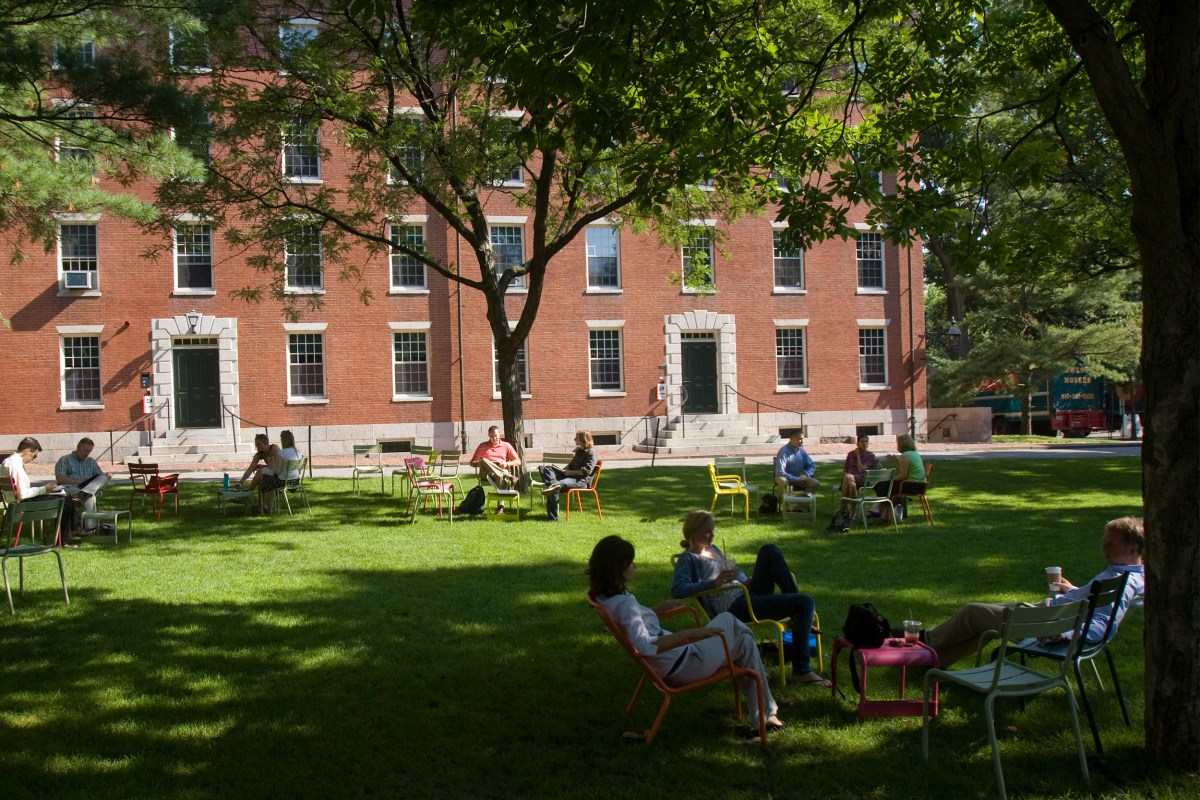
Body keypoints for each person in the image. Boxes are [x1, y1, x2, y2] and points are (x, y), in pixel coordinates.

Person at [589, 534, 784, 734]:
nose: (635, 566)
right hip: (686, 665)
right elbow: (645, 646)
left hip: (676, 661)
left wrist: (655, 610)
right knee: (730, 621)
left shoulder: (606, 598)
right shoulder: (624, 604)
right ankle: (765, 711)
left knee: (743, 641)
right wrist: (690, 633)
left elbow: (630, 624)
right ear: (618, 569)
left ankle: (765, 714)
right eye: (630, 563)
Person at [921, 516, 1145, 666]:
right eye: (1105, 542)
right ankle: (931, 661)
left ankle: (924, 642)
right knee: (981, 621)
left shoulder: (1121, 581)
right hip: (1050, 614)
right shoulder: (1130, 575)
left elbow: (1104, 623)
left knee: (973, 613)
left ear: (1133, 549)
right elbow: (1096, 603)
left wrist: (1065, 633)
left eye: (1111, 544)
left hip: (1048, 623)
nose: (1104, 548)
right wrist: (1074, 590)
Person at [671, 510, 831, 686]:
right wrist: (713, 584)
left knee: (769, 550)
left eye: (713, 529)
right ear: (693, 533)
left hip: (746, 594)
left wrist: (744, 579)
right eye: (707, 531)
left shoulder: (714, 549)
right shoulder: (688, 558)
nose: (712, 534)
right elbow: (678, 589)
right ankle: (801, 670)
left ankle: (795, 616)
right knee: (805, 602)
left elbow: (735, 571)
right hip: (735, 607)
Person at [2, 437, 67, 544]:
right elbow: (22, 494)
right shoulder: (15, 465)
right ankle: (64, 539)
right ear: (27, 451)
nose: (33, 459)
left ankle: (71, 532)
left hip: (14, 503)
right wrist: (44, 489)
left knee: (63, 497)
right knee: (64, 500)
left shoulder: (7, 461)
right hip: (22, 505)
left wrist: (44, 490)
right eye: (34, 456)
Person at [55, 437, 114, 535]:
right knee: (90, 496)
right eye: (85, 450)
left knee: (103, 477)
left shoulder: (91, 461)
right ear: (78, 447)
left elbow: (99, 477)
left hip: (85, 489)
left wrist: (107, 476)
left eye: (89, 451)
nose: (86, 453)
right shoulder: (64, 460)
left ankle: (83, 494)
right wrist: (79, 482)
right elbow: (60, 479)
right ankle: (91, 530)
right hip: (71, 488)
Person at [539, 430, 597, 521]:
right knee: (545, 468)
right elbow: (571, 465)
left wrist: (570, 472)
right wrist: (562, 470)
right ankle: (553, 484)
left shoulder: (591, 453)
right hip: (570, 476)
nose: (574, 439)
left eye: (576, 438)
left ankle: (553, 518)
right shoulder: (579, 451)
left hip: (581, 481)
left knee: (555, 487)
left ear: (583, 439)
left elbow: (586, 471)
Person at [471, 426, 522, 510]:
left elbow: (518, 461)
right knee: (484, 460)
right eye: (492, 436)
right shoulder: (482, 446)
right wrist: (482, 463)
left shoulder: (506, 445)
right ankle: (509, 476)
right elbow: (472, 463)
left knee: (500, 476)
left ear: (499, 434)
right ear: (488, 435)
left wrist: (506, 464)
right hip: (487, 473)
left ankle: (500, 508)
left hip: (501, 470)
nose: (494, 438)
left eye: (496, 436)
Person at [237, 434, 284, 513]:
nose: (257, 447)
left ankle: (248, 494)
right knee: (261, 478)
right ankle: (261, 506)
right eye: (256, 445)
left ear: (265, 443)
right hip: (272, 475)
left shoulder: (274, 449)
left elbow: (277, 468)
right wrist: (241, 482)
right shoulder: (260, 453)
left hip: (281, 476)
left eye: (259, 444)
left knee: (260, 471)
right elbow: (250, 468)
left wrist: (262, 467)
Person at [885, 433, 925, 520]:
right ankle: (887, 513)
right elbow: (905, 471)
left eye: (898, 443)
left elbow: (902, 476)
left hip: (911, 486)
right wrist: (895, 461)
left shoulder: (905, 455)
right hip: (921, 486)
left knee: (885, 485)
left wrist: (889, 478)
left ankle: (880, 511)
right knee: (886, 485)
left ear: (901, 444)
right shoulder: (914, 453)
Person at [838, 434, 879, 516]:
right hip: (849, 480)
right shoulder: (850, 454)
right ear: (857, 443)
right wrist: (846, 475)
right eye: (862, 441)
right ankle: (854, 513)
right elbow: (845, 469)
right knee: (852, 484)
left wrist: (858, 456)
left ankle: (844, 506)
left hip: (862, 479)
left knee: (848, 477)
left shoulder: (870, 456)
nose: (865, 443)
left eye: (866, 442)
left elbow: (860, 469)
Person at [774, 430, 819, 497]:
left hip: (799, 478)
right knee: (782, 481)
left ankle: (801, 506)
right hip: (785, 478)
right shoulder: (783, 451)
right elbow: (780, 472)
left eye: (803, 439)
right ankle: (785, 505)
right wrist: (795, 478)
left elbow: (811, 466)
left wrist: (806, 475)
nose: (802, 441)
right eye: (800, 439)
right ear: (792, 439)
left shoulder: (801, 451)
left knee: (815, 483)